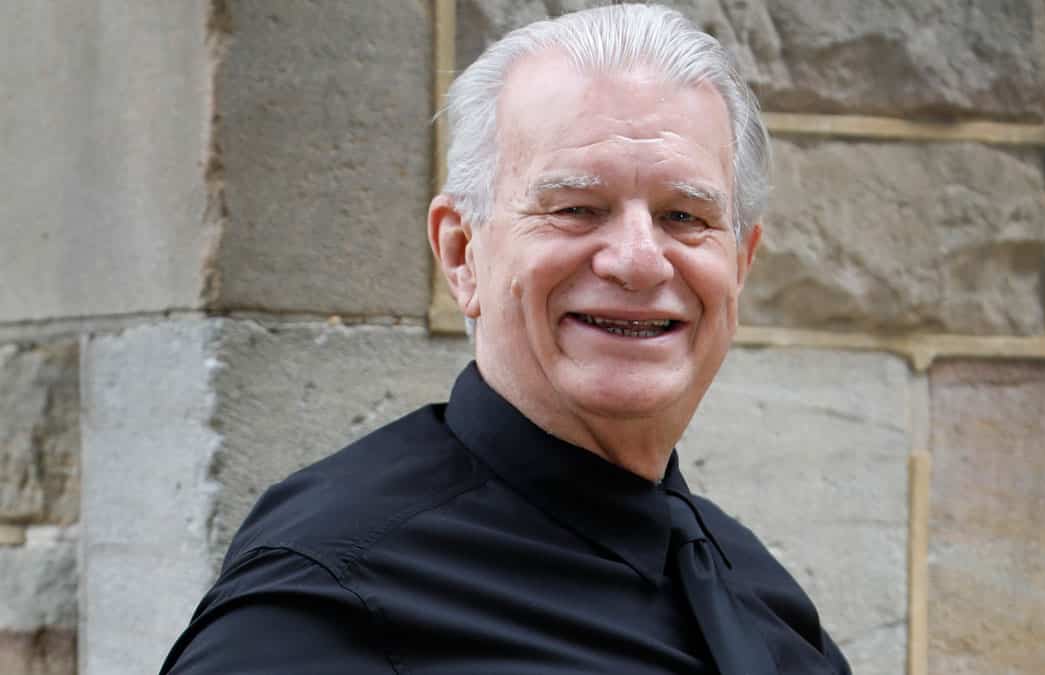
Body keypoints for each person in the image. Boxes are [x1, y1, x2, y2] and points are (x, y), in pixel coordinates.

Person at [160, 4, 851, 674]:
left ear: (740, 263)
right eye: (576, 208)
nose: (639, 260)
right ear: (461, 254)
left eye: (684, 215)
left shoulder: (767, 601)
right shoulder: (332, 597)